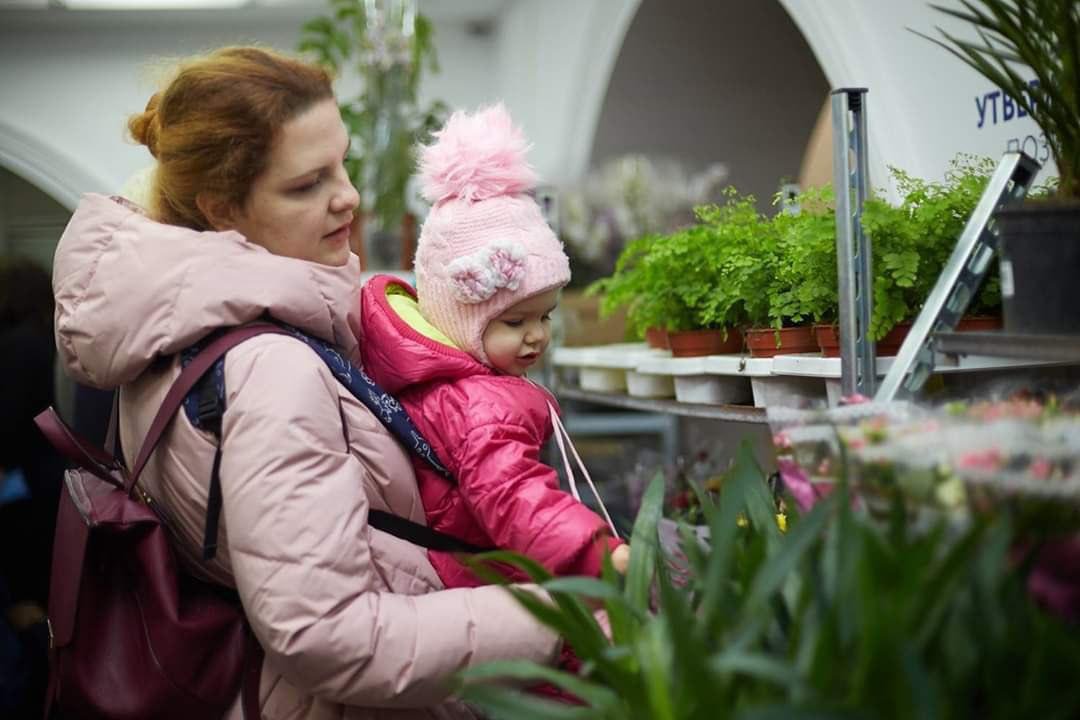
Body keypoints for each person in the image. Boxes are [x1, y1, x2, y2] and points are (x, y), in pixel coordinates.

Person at [51, 46, 573, 720]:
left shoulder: (168, 335)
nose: (348, 195)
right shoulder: (271, 365)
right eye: (307, 184)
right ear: (222, 209)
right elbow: (325, 635)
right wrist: (561, 619)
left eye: (342, 162)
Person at [354, 105, 629, 591]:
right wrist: (598, 552)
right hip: (491, 576)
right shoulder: (480, 405)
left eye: (545, 316)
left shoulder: (461, 381)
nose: (536, 335)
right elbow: (513, 496)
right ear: (459, 320)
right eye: (514, 321)